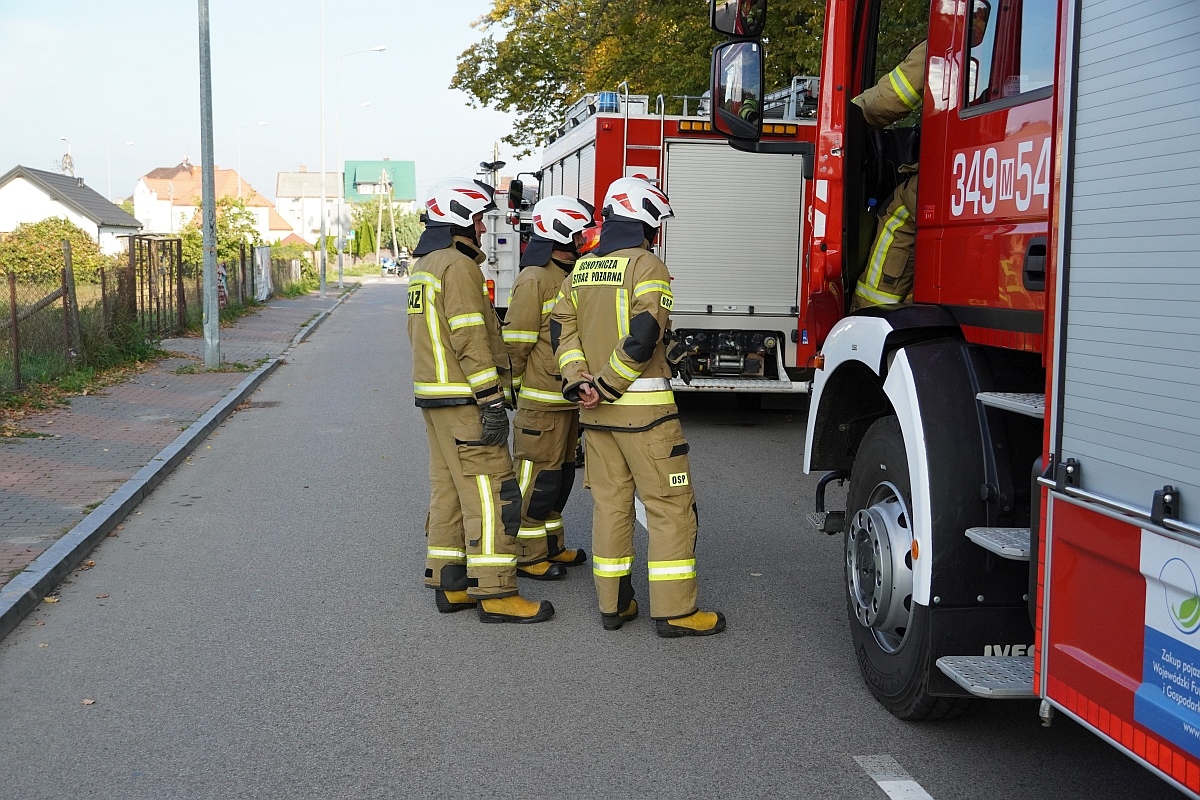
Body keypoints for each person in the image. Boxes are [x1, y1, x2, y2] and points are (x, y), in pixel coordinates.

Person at [551, 177, 725, 638]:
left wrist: (580, 385)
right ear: (646, 218)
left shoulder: (580, 270)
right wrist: (607, 386)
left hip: (595, 416)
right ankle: (675, 612)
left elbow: (562, 336)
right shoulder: (647, 266)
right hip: (644, 416)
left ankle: (614, 605)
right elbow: (644, 334)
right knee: (670, 508)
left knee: (610, 509)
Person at [408, 177, 553, 624]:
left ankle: (450, 582)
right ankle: (496, 592)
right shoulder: (458, 266)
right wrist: (491, 399)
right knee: (494, 495)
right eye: (477, 220)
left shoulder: (425, 266)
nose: (483, 230)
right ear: (460, 222)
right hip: (467, 399)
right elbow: (469, 335)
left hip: (435, 399)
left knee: (450, 491)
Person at [851, 2, 989, 309]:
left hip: (955, 169)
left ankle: (872, 314)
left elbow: (893, 97)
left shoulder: (950, 39)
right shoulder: (1001, 39)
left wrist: (848, 116)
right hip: (985, 162)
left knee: (901, 212)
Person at [503, 195, 595, 581]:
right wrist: (513, 393)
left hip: (568, 401)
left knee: (559, 480)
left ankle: (551, 545)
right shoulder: (534, 278)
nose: (587, 238)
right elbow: (517, 344)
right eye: (580, 232)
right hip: (541, 403)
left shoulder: (575, 271)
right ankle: (526, 554)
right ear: (561, 231)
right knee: (537, 480)